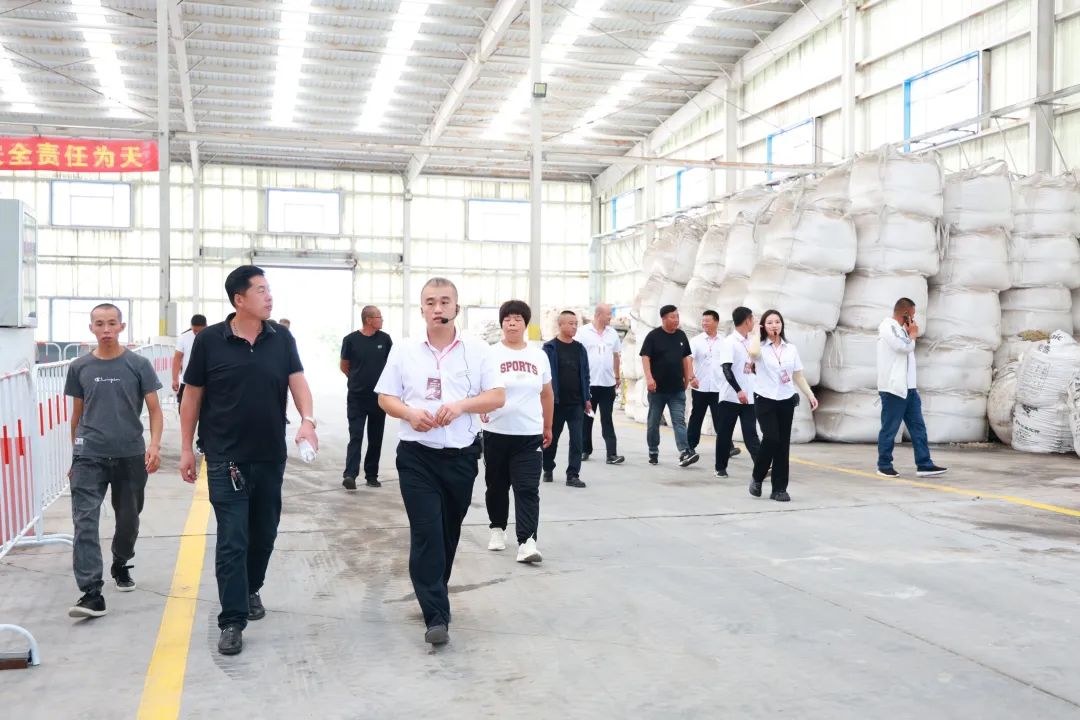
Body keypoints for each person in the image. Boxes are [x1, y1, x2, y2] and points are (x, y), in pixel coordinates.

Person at [179, 265, 320, 656]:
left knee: (264, 533)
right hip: (225, 457)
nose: (269, 296)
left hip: (270, 455)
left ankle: (251, 587)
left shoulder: (281, 338)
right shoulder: (209, 341)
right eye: (260, 290)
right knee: (232, 539)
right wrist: (187, 447)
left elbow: (298, 382)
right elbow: (192, 396)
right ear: (239, 299)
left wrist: (307, 421)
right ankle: (232, 620)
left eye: (269, 289)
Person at [376, 277, 505, 646]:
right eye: (430, 302)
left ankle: (434, 588)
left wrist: (462, 406)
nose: (438, 308)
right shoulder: (404, 350)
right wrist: (410, 413)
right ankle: (436, 615)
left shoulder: (478, 350)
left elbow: (496, 396)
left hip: (461, 456)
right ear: (421, 310)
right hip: (417, 455)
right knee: (427, 531)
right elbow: (386, 397)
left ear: (456, 308)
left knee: (448, 530)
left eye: (445, 301)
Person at [65, 303, 163, 619]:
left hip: (130, 455)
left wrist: (154, 446)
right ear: (91, 328)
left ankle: (121, 561)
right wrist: (75, 456)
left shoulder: (138, 365)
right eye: (99, 324)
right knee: (84, 521)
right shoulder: (79, 367)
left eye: (111, 323)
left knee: (128, 519)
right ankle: (91, 593)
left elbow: (155, 410)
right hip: (89, 455)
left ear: (121, 326)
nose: (105, 329)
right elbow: (77, 415)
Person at [481, 300, 553, 563]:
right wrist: (480, 407)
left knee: (527, 488)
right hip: (496, 431)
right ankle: (497, 528)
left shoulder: (538, 355)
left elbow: (546, 393)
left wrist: (547, 426)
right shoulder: (490, 354)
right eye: (507, 319)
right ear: (502, 324)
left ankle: (527, 541)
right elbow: (478, 387)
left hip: (529, 433)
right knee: (497, 486)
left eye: (517, 319)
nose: (512, 323)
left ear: (525, 324)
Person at [747, 310, 817, 502]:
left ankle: (779, 489)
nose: (774, 325)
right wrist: (756, 332)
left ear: (782, 325)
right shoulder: (759, 346)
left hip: (786, 399)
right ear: (764, 326)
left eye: (777, 322)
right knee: (771, 438)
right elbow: (753, 354)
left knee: (783, 445)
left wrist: (810, 395)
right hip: (765, 398)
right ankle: (757, 476)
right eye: (769, 322)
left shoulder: (790, 349)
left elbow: (798, 375)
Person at [876, 298, 948, 479]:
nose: (914, 319)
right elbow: (903, 346)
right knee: (890, 429)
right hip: (894, 389)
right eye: (913, 315)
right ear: (906, 314)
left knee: (918, 428)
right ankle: (884, 465)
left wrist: (910, 334)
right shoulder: (888, 326)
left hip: (909, 389)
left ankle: (924, 464)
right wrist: (913, 335)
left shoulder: (902, 330)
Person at [340, 305, 392, 489]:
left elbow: (391, 365)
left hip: (379, 398)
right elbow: (344, 365)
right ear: (368, 320)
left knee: (375, 437)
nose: (381, 320)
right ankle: (350, 475)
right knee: (356, 435)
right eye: (379, 317)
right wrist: (357, 379)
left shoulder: (385, 339)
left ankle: (371, 476)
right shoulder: (350, 340)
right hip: (357, 397)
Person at [542, 311, 591, 488]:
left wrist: (587, 398)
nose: (574, 326)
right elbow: (543, 377)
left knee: (577, 441)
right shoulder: (549, 348)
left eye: (575, 323)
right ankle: (548, 467)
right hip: (556, 404)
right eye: (570, 323)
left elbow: (585, 375)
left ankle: (573, 475)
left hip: (576, 403)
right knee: (552, 439)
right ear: (560, 325)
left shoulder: (580, 349)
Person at [639, 304, 693, 466]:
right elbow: (645, 357)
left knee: (679, 421)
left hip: (677, 389)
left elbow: (685, 358)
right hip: (657, 390)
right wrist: (649, 378)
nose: (676, 320)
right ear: (663, 318)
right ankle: (653, 450)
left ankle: (684, 451)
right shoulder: (653, 336)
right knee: (653, 422)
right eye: (672, 317)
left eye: (677, 316)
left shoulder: (681, 335)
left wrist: (687, 378)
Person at [714, 306, 762, 478]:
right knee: (725, 434)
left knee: (751, 433)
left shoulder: (751, 341)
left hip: (749, 397)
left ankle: (762, 466)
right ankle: (720, 468)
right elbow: (726, 369)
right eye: (752, 319)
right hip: (730, 397)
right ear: (747, 320)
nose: (754, 322)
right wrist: (738, 390)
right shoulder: (729, 342)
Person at [576, 303, 624, 465]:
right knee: (587, 418)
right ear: (598, 315)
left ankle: (612, 454)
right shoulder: (583, 332)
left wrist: (617, 376)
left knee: (607, 419)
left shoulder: (612, 333)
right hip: (588, 384)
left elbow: (616, 356)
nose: (611, 317)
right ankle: (585, 449)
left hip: (607, 384)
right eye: (608, 314)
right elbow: (577, 356)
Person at [686, 310, 725, 468]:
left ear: (716, 322)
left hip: (718, 387)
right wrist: (691, 377)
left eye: (707, 321)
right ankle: (690, 446)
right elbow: (688, 359)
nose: (704, 323)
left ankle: (727, 446)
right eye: (703, 321)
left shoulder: (724, 342)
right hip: (700, 386)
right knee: (696, 417)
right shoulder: (696, 341)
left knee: (720, 419)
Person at [172, 314, 207, 409]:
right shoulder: (184, 337)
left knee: (204, 410)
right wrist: (175, 379)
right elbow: (177, 358)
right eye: (195, 330)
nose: (197, 333)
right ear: (191, 327)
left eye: (200, 331)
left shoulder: (212, 337)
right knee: (184, 409)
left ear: (206, 326)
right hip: (187, 381)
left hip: (206, 382)